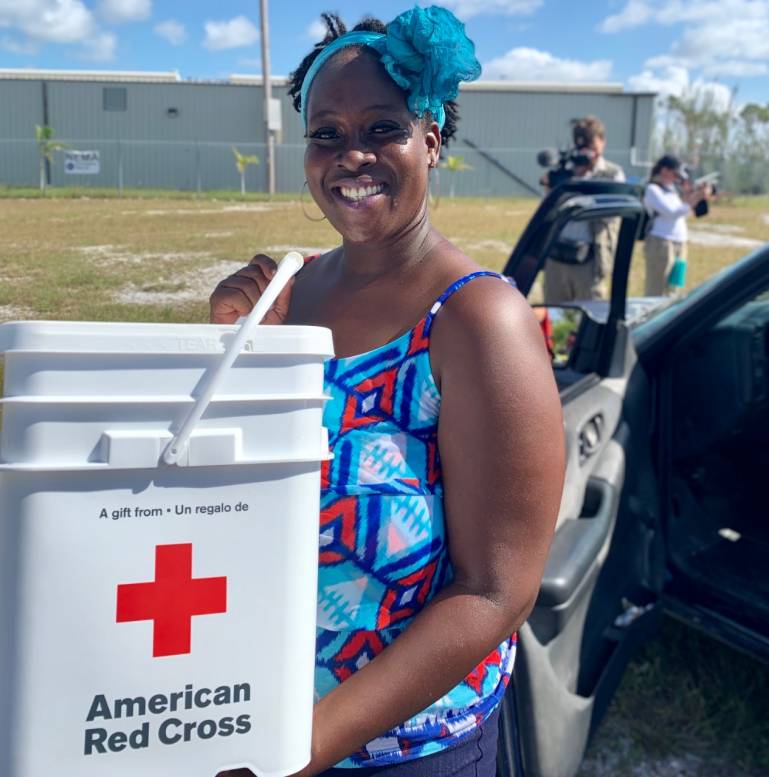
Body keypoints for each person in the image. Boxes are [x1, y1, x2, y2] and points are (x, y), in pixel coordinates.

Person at [210, 7, 564, 775]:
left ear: (431, 140)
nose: (352, 155)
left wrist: (303, 744)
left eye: (382, 128)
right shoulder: (286, 293)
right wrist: (233, 346)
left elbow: (495, 590)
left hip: (401, 751)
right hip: (241, 718)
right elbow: (214, 501)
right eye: (327, 133)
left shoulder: (476, 319)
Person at [543, 116, 625, 302]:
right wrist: (554, 183)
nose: (588, 152)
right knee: (554, 310)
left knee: (589, 316)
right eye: (582, 146)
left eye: (592, 146)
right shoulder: (566, 171)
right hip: (557, 256)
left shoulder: (611, 174)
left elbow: (611, 213)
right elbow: (549, 210)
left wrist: (583, 187)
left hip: (590, 259)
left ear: (602, 142)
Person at [643, 154, 711, 296]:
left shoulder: (672, 191)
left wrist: (696, 196)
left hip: (680, 243)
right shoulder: (652, 190)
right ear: (664, 170)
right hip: (661, 243)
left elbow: (683, 213)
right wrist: (694, 198)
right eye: (674, 174)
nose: (676, 179)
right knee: (658, 289)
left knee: (674, 288)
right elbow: (671, 212)